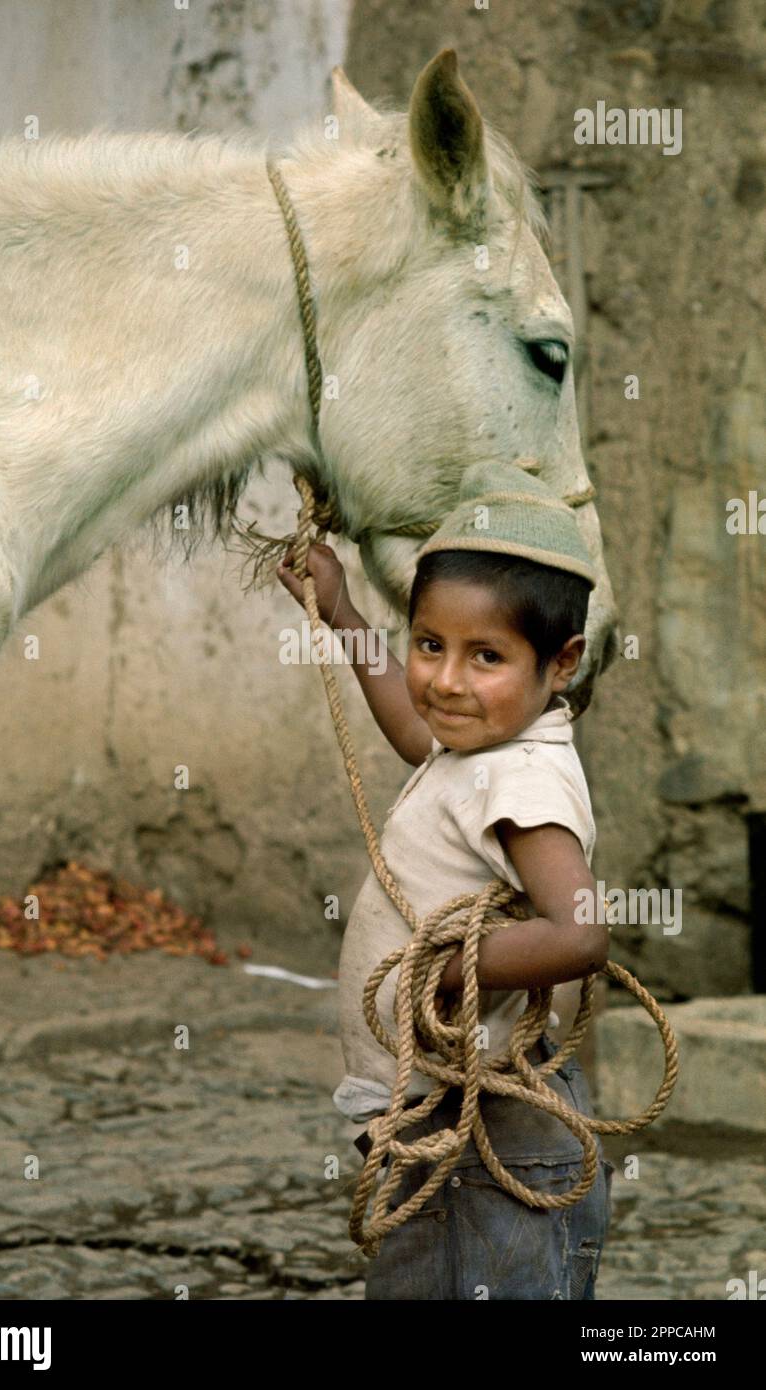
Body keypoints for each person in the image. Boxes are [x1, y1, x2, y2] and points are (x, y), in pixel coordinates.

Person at [276, 460, 615, 1300]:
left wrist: (452, 970)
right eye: (430, 645)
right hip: (439, 1121)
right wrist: (346, 613)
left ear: (561, 662)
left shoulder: (524, 782)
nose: (447, 680)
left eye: (487, 656)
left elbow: (580, 931)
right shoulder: (482, 744)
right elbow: (410, 726)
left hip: (484, 1138)